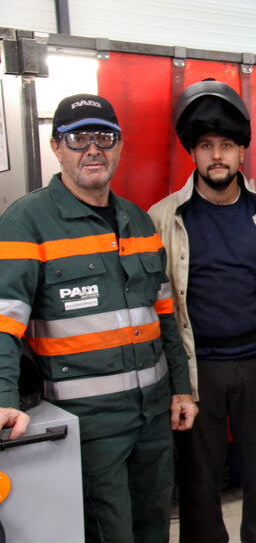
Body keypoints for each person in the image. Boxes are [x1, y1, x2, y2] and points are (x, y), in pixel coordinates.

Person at [0, 93, 197, 542]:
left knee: (154, 529)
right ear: (56, 147)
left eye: (104, 137)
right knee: (110, 533)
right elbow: (4, 323)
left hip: (152, 418)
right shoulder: (26, 223)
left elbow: (165, 315)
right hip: (89, 426)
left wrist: (180, 388)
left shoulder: (138, 222)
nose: (93, 149)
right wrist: (3, 397)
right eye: (78, 139)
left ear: (119, 144)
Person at [148, 79, 256, 543]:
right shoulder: (164, 218)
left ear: (242, 153)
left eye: (227, 146)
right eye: (206, 146)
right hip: (197, 372)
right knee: (199, 484)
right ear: (192, 153)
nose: (217, 156)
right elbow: (158, 301)